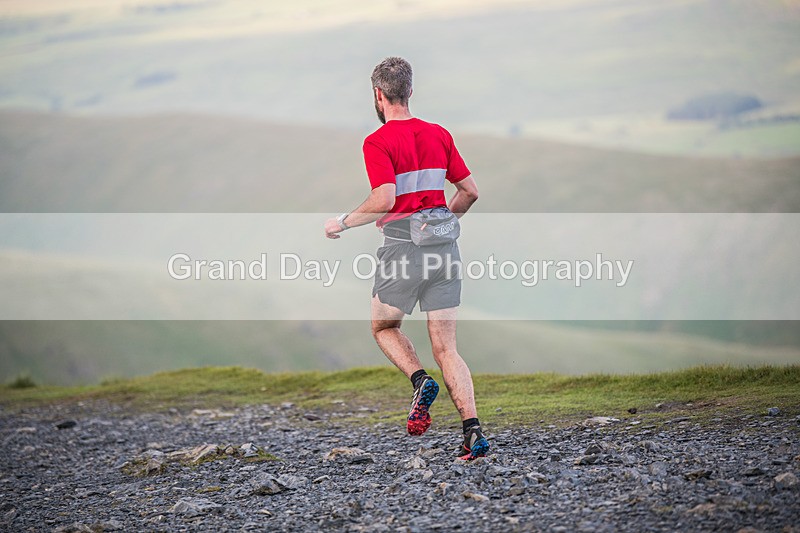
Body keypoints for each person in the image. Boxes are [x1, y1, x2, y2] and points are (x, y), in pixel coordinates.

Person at [324, 57, 488, 460]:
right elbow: (469, 192)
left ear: (378, 95)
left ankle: (420, 381)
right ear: (410, 91)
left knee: (384, 327)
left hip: (402, 249)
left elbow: (384, 199)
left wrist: (342, 222)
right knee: (447, 349)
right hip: (444, 251)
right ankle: (473, 433)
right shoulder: (439, 134)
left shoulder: (377, 141)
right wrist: (441, 224)